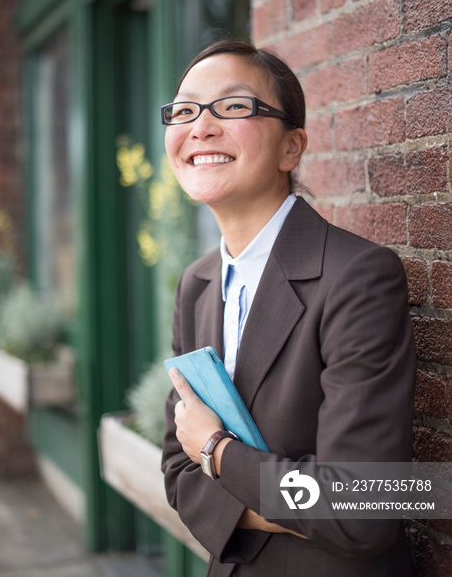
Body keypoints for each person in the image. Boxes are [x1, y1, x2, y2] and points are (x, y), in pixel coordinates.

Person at [161, 40, 416, 576]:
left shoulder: (358, 277)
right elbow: (176, 479)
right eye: (184, 111)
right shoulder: (197, 284)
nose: (200, 127)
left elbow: (365, 508)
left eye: (233, 107)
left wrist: (215, 451)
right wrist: (300, 500)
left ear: (291, 148)